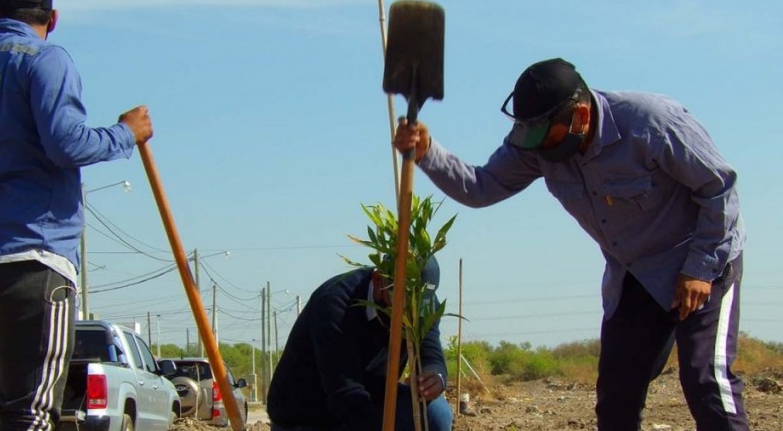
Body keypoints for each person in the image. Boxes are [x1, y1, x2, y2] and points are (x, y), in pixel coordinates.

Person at [393, 57, 746, 431]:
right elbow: (481, 187)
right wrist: (428, 152)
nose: (539, 146)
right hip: (634, 276)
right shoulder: (537, 142)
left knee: (704, 380)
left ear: (579, 115)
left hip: (701, 259)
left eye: (548, 134)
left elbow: (719, 187)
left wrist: (700, 268)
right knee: (616, 398)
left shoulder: (651, 123)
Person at [0, 0, 153, 429]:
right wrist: (126, 133)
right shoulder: (44, 60)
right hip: (33, 262)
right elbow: (66, 144)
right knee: (30, 412)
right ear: (54, 18)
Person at [267, 256, 453, 431]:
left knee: (436, 413)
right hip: (308, 417)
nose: (410, 313)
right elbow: (346, 395)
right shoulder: (335, 303)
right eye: (402, 301)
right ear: (379, 280)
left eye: (418, 304)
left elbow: (431, 355)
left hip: (371, 400)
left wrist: (435, 376)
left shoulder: (424, 304)